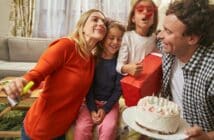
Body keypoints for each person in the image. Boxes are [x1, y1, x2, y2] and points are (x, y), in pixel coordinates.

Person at [2, 9, 107, 140]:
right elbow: (37, 74)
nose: (101, 23)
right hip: (40, 129)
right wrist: (22, 82)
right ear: (82, 26)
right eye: (95, 19)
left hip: (62, 129)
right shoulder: (65, 46)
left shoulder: (91, 60)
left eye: (104, 22)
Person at [157, 0, 214, 139]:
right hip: (170, 128)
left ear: (192, 38)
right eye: (163, 29)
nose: (161, 35)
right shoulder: (168, 48)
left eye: (168, 31)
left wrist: (207, 137)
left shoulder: (211, 72)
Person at [73, 21, 125, 140]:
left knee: (109, 128)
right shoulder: (93, 60)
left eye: (119, 39)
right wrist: (92, 109)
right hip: (90, 103)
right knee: (81, 128)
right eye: (111, 38)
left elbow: (118, 90)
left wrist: (105, 109)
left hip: (110, 105)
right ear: (103, 40)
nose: (115, 42)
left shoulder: (121, 64)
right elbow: (88, 87)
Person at [116, 0, 158, 76]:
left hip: (148, 80)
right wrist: (127, 68)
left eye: (149, 10)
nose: (145, 12)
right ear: (133, 18)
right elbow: (119, 66)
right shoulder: (127, 37)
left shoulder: (154, 38)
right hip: (132, 81)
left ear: (153, 19)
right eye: (140, 10)